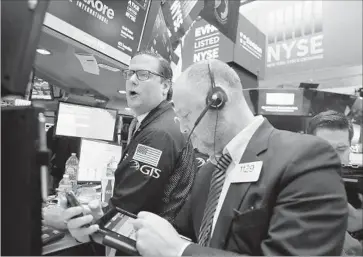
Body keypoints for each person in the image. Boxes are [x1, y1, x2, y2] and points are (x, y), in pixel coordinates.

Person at [130, 59, 348, 256]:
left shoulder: (305, 158)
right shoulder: (208, 173)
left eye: (185, 115)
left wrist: (180, 252)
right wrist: (130, 231)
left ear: (217, 99)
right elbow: (179, 232)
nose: (184, 129)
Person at [64, 50, 197, 243]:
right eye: (129, 73)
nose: (132, 80)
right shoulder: (158, 122)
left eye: (143, 75)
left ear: (165, 86)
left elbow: (128, 207)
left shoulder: (158, 133)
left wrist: (73, 222)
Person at [308, 110, 362, 255]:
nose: (333, 157)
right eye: (323, 148)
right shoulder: (290, 188)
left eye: (341, 149)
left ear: (350, 148)